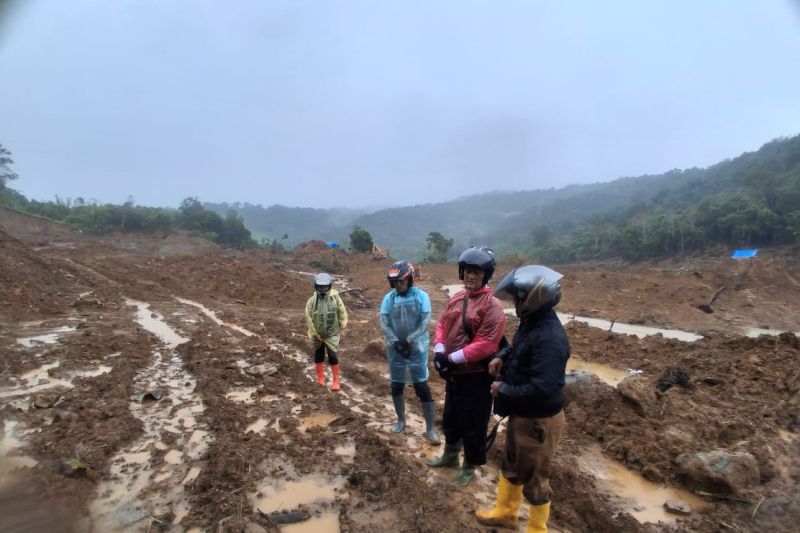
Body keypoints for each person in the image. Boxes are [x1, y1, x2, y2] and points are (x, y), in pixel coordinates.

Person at [475, 265, 569, 533]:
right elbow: (518, 349)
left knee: (535, 479)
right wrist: (501, 357)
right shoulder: (533, 324)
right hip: (523, 415)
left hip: (538, 420)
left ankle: (537, 529)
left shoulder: (550, 338)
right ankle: (506, 514)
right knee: (512, 466)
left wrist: (503, 389)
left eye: (518, 298)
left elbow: (542, 387)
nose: (515, 302)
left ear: (533, 298)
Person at [426, 245, 506, 486]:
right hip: (455, 375)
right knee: (451, 417)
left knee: (473, 423)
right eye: (468, 271)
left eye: (477, 272)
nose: (471, 276)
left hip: (476, 376)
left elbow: (486, 343)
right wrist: (439, 350)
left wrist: (451, 359)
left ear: (486, 275)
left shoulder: (492, 306)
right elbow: (442, 324)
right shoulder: (458, 297)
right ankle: (450, 456)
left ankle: (469, 466)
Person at [380, 261, 440, 444]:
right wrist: (395, 341)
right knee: (396, 385)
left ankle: (430, 428)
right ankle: (401, 420)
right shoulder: (388, 299)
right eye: (395, 282)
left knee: (422, 388)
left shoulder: (422, 296)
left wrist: (410, 339)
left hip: (416, 350)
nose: (398, 285)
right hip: (396, 350)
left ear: (410, 280)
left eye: (401, 281)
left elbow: (425, 321)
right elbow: (384, 322)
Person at [305, 272, 348, 391]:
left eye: (325, 287)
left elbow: (342, 312)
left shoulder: (335, 298)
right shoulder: (312, 301)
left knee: (332, 355)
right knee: (319, 355)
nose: (322, 289)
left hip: (332, 333)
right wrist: (314, 332)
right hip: (317, 334)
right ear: (316, 287)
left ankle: (336, 380)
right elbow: (308, 317)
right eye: (320, 287)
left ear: (329, 286)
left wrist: (342, 327)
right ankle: (320, 378)